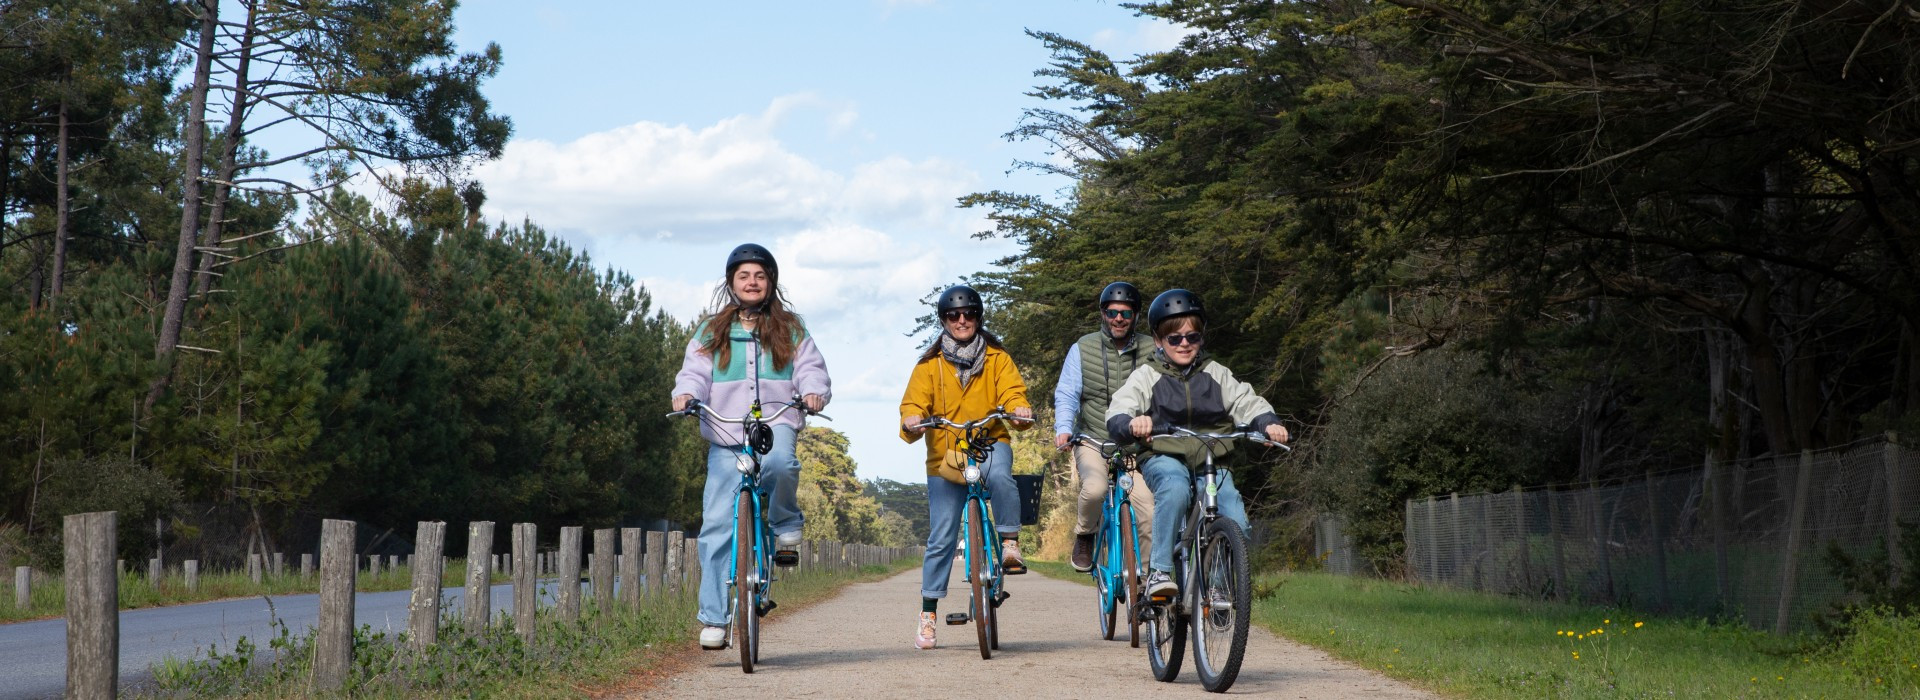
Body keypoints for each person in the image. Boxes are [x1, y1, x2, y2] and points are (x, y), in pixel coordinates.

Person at [671, 243, 831, 650]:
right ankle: (713, 619)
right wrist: (686, 395)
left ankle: (786, 521)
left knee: (780, 465)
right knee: (716, 527)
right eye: (744, 276)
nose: (752, 282)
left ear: (771, 282)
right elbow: (694, 371)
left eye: (759, 275)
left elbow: (810, 368)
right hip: (726, 434)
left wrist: (812, 391)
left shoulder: (790, 327)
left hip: (775, 425)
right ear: (731, 283)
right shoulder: (712, 330)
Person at [1103, 289, 1289, 600]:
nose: (1185, 344)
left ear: (1201, 338)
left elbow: (1247, 401)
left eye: (1193, 337)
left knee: (1236, 520)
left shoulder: (1215, 373)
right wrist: (1132, 423)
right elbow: (1120, 408)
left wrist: (1268, 424)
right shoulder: (1147, 375)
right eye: (1175, 339)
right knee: (1174, 489)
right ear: (1160, 340)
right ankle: (1159, 572)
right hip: (1164, 453)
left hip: (1211, 460)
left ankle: (1217, 586)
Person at [899, 284, 1034, 649]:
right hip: (945, 453)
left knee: (1002, 476)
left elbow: (1012, 393)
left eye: (969, 314)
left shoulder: (997, 358)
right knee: (942, 536)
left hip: (990, 442)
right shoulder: (928, 366)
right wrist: (913, 419)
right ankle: (928, 614)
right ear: (943, 320)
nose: (962, 320)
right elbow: (913, 404)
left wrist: (1018, 409)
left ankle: (1008, 543)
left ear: (978, 318)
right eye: (954, 316)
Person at [1053, 281, 1157, 572]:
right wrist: (1063, 428)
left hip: (1137, 445)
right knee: (1096, 489)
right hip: (1093, 440)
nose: (1118, 319)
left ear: (1136, 315)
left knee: (1148, 510)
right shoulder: (1082, 348)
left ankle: (1150, 583)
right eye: (1112, 312)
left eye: (1126, 313)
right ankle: (1085, 535)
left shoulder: (1153, 348)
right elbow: (1067, 393)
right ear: (1102, 313)